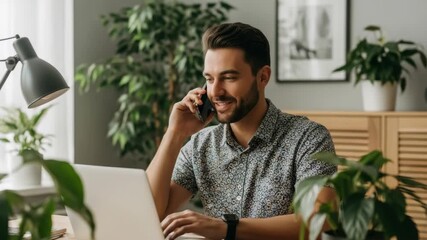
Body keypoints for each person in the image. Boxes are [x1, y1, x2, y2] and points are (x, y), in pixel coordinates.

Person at [146, 22, 336, 240]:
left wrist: (226, 228)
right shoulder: (201, 145)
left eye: (229, 78)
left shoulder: (308, 138)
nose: (215, 91)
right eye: (209, 79)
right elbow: (149, 213)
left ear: (263, 77)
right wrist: (175, 133)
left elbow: (321, 220)